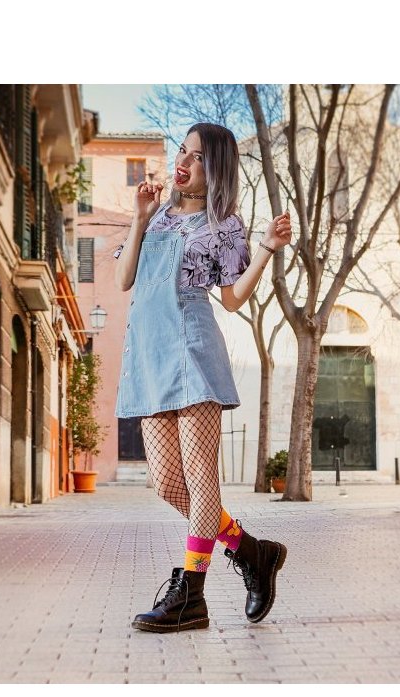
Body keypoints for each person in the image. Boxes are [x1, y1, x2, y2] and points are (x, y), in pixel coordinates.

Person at [114, 122, 293, 633]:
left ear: (215, 170)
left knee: (200, 479)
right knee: (169, 485)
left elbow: (232, 299)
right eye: (182, 151)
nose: (184, 162)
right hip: (149, 357)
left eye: (197, 157)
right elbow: (125, 279)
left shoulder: (224, 225)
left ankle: (191, 593)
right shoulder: (156, 215)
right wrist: (138, 218)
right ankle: (252, 552)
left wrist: (266, 248)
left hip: (192, 351)